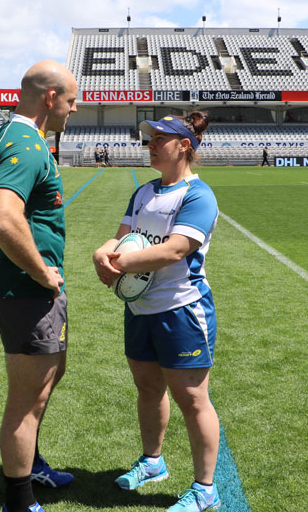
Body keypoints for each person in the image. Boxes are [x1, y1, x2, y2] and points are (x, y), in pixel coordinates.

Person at [93, 111, 222, 512]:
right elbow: (122, 238)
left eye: (159, 138)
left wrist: (118, 265)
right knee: (148, 389)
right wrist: (102, 252)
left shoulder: (198, 196)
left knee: (193, 398)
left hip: (182, 309)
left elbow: (175, 249)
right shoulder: (144, 192)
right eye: (148, 137)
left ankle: (205, 490)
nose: (149, 143)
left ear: (184, 145)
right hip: (140, 308)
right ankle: (153, 463)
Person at [0, 60, 78, 512]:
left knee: (48, 378)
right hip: (27, 291)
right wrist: (43, 273)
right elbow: (3, 216)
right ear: (50, 97)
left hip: (32, 290)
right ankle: (18, 504)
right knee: (26, 399)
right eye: (72, 100)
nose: (74, 110)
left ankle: (32, 463)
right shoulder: (27, 143)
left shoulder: (23, 137)